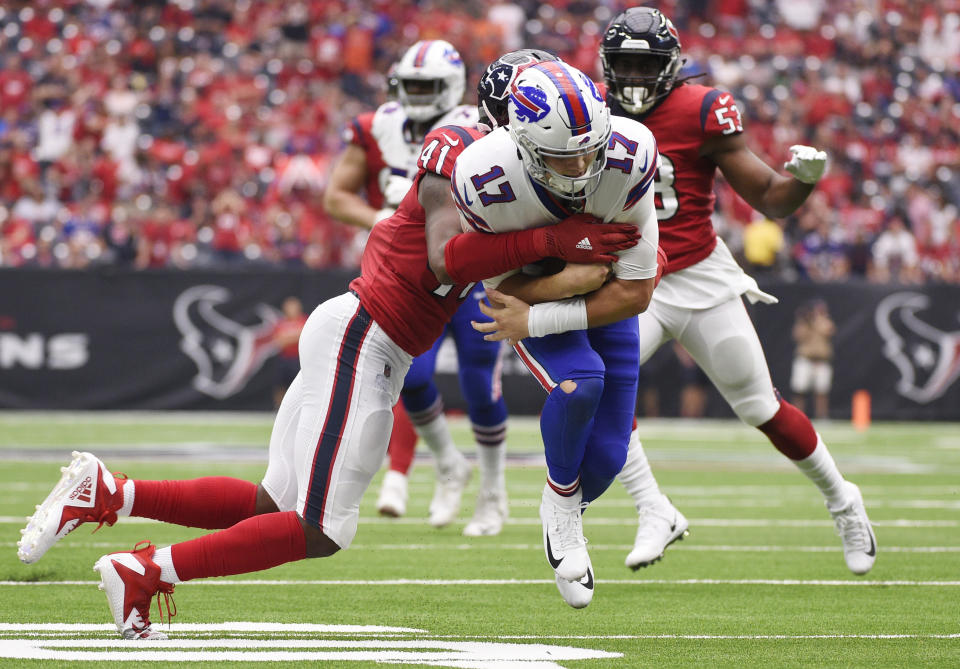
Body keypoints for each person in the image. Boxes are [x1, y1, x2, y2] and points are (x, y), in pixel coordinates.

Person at [16, 53, 641, 638]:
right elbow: (444, 257)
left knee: (272, 504)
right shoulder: (462, 153)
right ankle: (145, 573)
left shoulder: (524, 176)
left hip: (367, 334)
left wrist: (568, 254)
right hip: (366, 336)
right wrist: (557, 244)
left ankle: (107, 493)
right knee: (321, 528)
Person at [598, 7, 876, 574]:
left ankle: (843, 498)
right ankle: (654, 508)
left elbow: (771, 199)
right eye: (622, 64)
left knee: (760, 407)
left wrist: (803, 182)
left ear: (671, 67)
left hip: (698, 275)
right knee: (598, 385)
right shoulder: (588, 111)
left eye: (642, 65)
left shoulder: (701, 110)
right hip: (630, 278)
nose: (630, 77)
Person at [457, 60, 662, 608]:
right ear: (518, 142)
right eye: (559, 155)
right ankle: (565, 518)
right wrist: (564, 266)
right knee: (581, 382)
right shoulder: (485, 175)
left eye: (586, 149)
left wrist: (542, 317)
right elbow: (508, 291)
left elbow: (635, 293)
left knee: (608, 457)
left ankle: (559, 502)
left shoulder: (628, 155)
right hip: (538, 290)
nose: (577, 167)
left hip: (604, 302)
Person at [323, 40, 508, 534]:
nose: (418, 95)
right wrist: (380, 216)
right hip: (411, 275)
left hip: (470, 274)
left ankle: (493, 492)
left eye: (427, 87)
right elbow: (336, 196)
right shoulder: (378, 125)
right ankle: (449, 464)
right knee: (415, 378)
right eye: (412, 86)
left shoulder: (481, 123)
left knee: (478, 383)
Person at [790, 299, 835, 420]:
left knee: (822, 391)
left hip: (821, 361)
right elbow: (798, 336)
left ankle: (822, 416)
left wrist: (817, 320)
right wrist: (804, 321)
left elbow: (828, 331)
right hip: (805, 359)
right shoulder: (803, 323)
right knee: (799, 391)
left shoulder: (825, 322)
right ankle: (797, 416)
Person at [270, 296, 308, 409]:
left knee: (301, 387)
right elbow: (279, 342)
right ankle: (279, 409)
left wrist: (289, 336)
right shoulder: (281, 323)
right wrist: (295, 335)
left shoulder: (304, 320)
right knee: (280, 386)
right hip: (285, 360)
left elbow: (304, 335)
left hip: (299, 360)